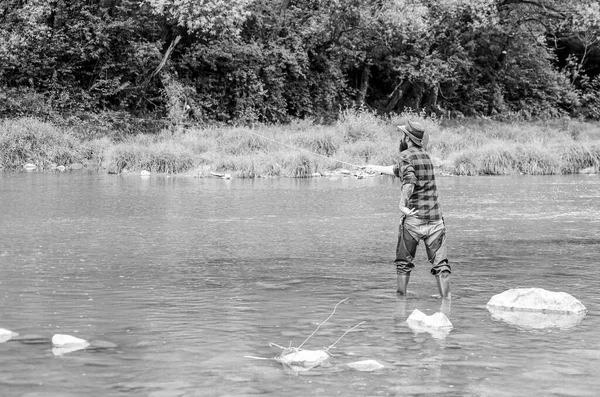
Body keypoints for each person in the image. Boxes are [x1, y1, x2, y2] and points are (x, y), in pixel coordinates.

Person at [367, 120, 451, 298]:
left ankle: (400, 302)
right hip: (436, 220)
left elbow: (409, 180)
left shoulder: (405, 155)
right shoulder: (426, 156)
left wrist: (402, 205)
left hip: (414, 219)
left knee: (403, 263)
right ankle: (447, 302)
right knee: (441, 264)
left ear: (408, 138)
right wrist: (374, 168)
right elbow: (401, 170)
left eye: (403, 135)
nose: (401, 138)